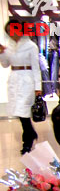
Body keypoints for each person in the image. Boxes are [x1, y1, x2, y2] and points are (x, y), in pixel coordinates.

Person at [0, 20, 42, 155]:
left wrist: (38, 87)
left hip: (27, 79)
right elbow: (6, 64)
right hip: (14, 79)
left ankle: (27, 141)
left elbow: (36, 68)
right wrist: (2, 53)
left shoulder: (31, 46)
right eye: (8, 31)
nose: (10, 34)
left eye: (12, 30)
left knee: (24, 112)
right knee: (19, 113)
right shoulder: (10, 46)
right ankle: (31, 134)